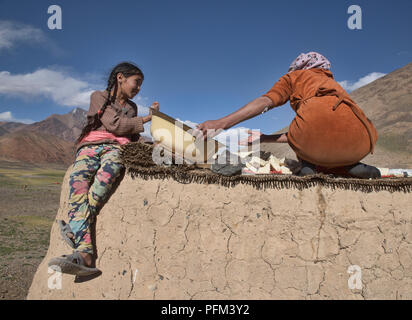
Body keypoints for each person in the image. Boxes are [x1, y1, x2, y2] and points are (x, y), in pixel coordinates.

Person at [48, 62, 159, 276]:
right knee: (78, 186)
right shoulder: (99, 97)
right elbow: (115, 124)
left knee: (101, 186)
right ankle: (85, 252)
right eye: (136, 83)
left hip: (116, 149)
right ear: (120, 78)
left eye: (141, 86)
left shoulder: (132, 108)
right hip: (91, 147)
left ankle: (79, 241)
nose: (138, 89)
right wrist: (147, 118)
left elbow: (130, 136)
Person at [195, 52, 381, 178]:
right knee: (325, 133)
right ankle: (349, 166)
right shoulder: (332, 84)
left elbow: (266, 101)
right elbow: (321, 130)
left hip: (313, 138)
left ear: (299, 66)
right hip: (362, 140)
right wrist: (265, 138)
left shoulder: (295, 77)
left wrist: (222, 123)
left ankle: (309, 167)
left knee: (309, 128)